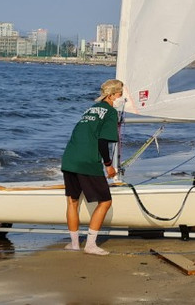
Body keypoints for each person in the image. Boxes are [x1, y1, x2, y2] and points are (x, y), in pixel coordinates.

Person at [60, 79, 124, 256]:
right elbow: (103, 142)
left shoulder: (90, 109)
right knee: (105, 201)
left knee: (72, 201)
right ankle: (90, 245)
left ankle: (74, 244)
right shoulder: (110, 112)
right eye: (120, 95)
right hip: (87, 161)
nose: (121, 98)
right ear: (111, 95)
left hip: (69, 158)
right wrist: (109, 166)